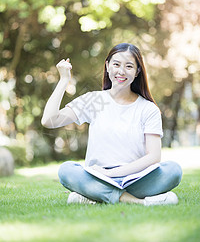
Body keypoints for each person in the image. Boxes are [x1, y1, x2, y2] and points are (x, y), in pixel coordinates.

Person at [41, 43, 182, 205]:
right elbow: (49, 120)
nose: (121, 71)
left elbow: (154, 156)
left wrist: (113, 174)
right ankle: (138, 202)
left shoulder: (148, 109)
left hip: (136, 177)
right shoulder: (94, 100)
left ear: (137, 72)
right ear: (107, 66)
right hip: (98, 176)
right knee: (66, 170)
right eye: (116, 64)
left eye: (129, 66)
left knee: (173, 170)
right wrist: (64, 80)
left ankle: (94, 195)